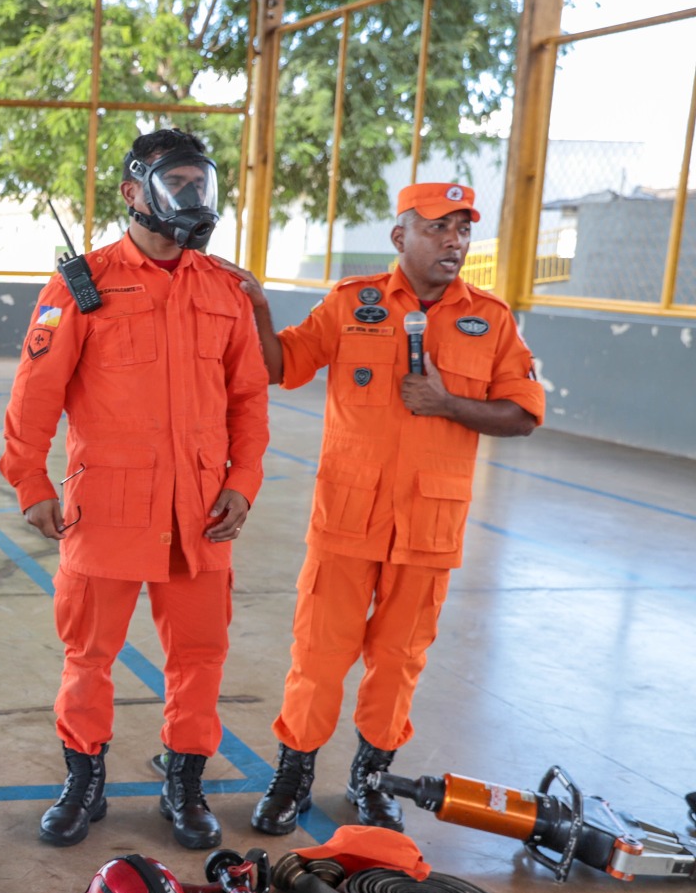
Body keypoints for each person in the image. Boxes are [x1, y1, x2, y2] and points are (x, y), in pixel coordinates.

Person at [218, 182, 545, 834]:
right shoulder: (350, 304)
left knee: (398, 662)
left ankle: (371, 780)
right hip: (348, 519)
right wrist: (256, 305)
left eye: (462, 228)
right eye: (437, 227)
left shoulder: (493, 320)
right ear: (400, 238)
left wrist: (449, 404)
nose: (454, 241)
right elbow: (281, 364)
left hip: (429, 528)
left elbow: (523, 413)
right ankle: (293, 776)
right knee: (318, 656)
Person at [0, 127, 270, 850]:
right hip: (108, 513)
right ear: (132, 192)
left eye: (199, 184)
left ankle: (184, 786)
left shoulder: (223, 290)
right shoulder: (81, 285)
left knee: (199, 657)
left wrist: (243, 481)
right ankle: (82, 784)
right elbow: (35, 396)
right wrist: (30, 481)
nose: (193, 198)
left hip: (202, 516)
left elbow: (248, 398)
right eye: (177, 184)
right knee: (88, 658)